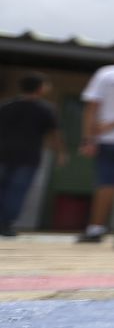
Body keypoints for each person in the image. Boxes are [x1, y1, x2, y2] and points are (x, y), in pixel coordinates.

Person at [78, 49, 114, 243]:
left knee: (106, 184)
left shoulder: (105, 73)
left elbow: (91, 107)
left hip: (107, 139)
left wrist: (89, 138)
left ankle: (95, 229)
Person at [0, 73, 66, 237]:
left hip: (2, 153)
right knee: (17, 192)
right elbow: (55, 134)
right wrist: (60, 153)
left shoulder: (6, 106)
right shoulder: (46, 109)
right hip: (28, 157)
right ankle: (5, 225)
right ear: (40, 88)